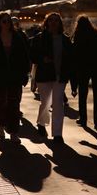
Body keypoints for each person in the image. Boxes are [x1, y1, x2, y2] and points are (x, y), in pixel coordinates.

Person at [30, 12, 76, 143]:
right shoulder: (39, 38)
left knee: (58, 104)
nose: (53, 23)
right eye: (51, 20)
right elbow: (32, 56)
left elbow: (71, 59)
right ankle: (41, 123)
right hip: (44, 75)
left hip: (60, 76)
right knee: (45, 102)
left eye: (56, 20)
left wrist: (71, 78)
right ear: (46, 22)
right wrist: (42, 59)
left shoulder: (65, 39)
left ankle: (57, 134)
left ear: (60, 23)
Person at [0, 12, 31, 143]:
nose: (6, 23)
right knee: (1, 102)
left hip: (15, 77)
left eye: (8, 21)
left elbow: (24, 57)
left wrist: (25, 74)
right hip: (0, 77)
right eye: (4, 21)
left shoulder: (17, 37)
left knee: (14, 104)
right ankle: (0, 125)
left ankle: (13, 132)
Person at [72, 16, 97, 129]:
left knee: (83, 94)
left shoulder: (78, 35)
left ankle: (83, 118)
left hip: (83, 67)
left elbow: (75, 53)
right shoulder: (96, 34)